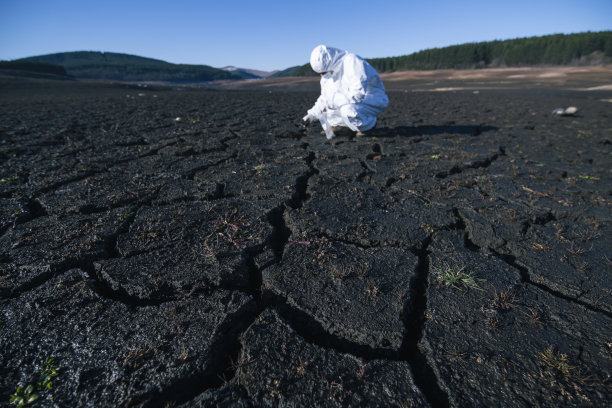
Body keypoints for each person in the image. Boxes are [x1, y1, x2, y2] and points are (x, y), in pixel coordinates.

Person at [303, 45, 389, 139]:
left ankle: (368, 126)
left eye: (323, 72)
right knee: (330, 107)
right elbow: (325, 97)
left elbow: (357, 94)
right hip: (349, 100)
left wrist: (333, 102)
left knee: (347, 110)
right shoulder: (328, 74)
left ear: (330, 62)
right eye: (320, 73)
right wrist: (312, 114)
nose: (321, 75)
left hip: (370, 98)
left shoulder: (352, 62)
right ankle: (341, 126)